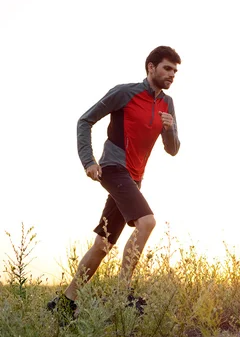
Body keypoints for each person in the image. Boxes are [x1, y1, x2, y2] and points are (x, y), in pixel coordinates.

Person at [48, 46, 182, 323]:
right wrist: (88, 161)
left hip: (134, 177)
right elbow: (85, 120)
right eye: (167, 68)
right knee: (147, 222)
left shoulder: (167, 104)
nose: (172, 74)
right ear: (151, 67)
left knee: (102, 245)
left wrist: (169, 130)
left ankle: (65, 302)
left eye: (175, 70)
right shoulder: (125, 92)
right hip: (113, 168)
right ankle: (122, 294)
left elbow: (172, 149)